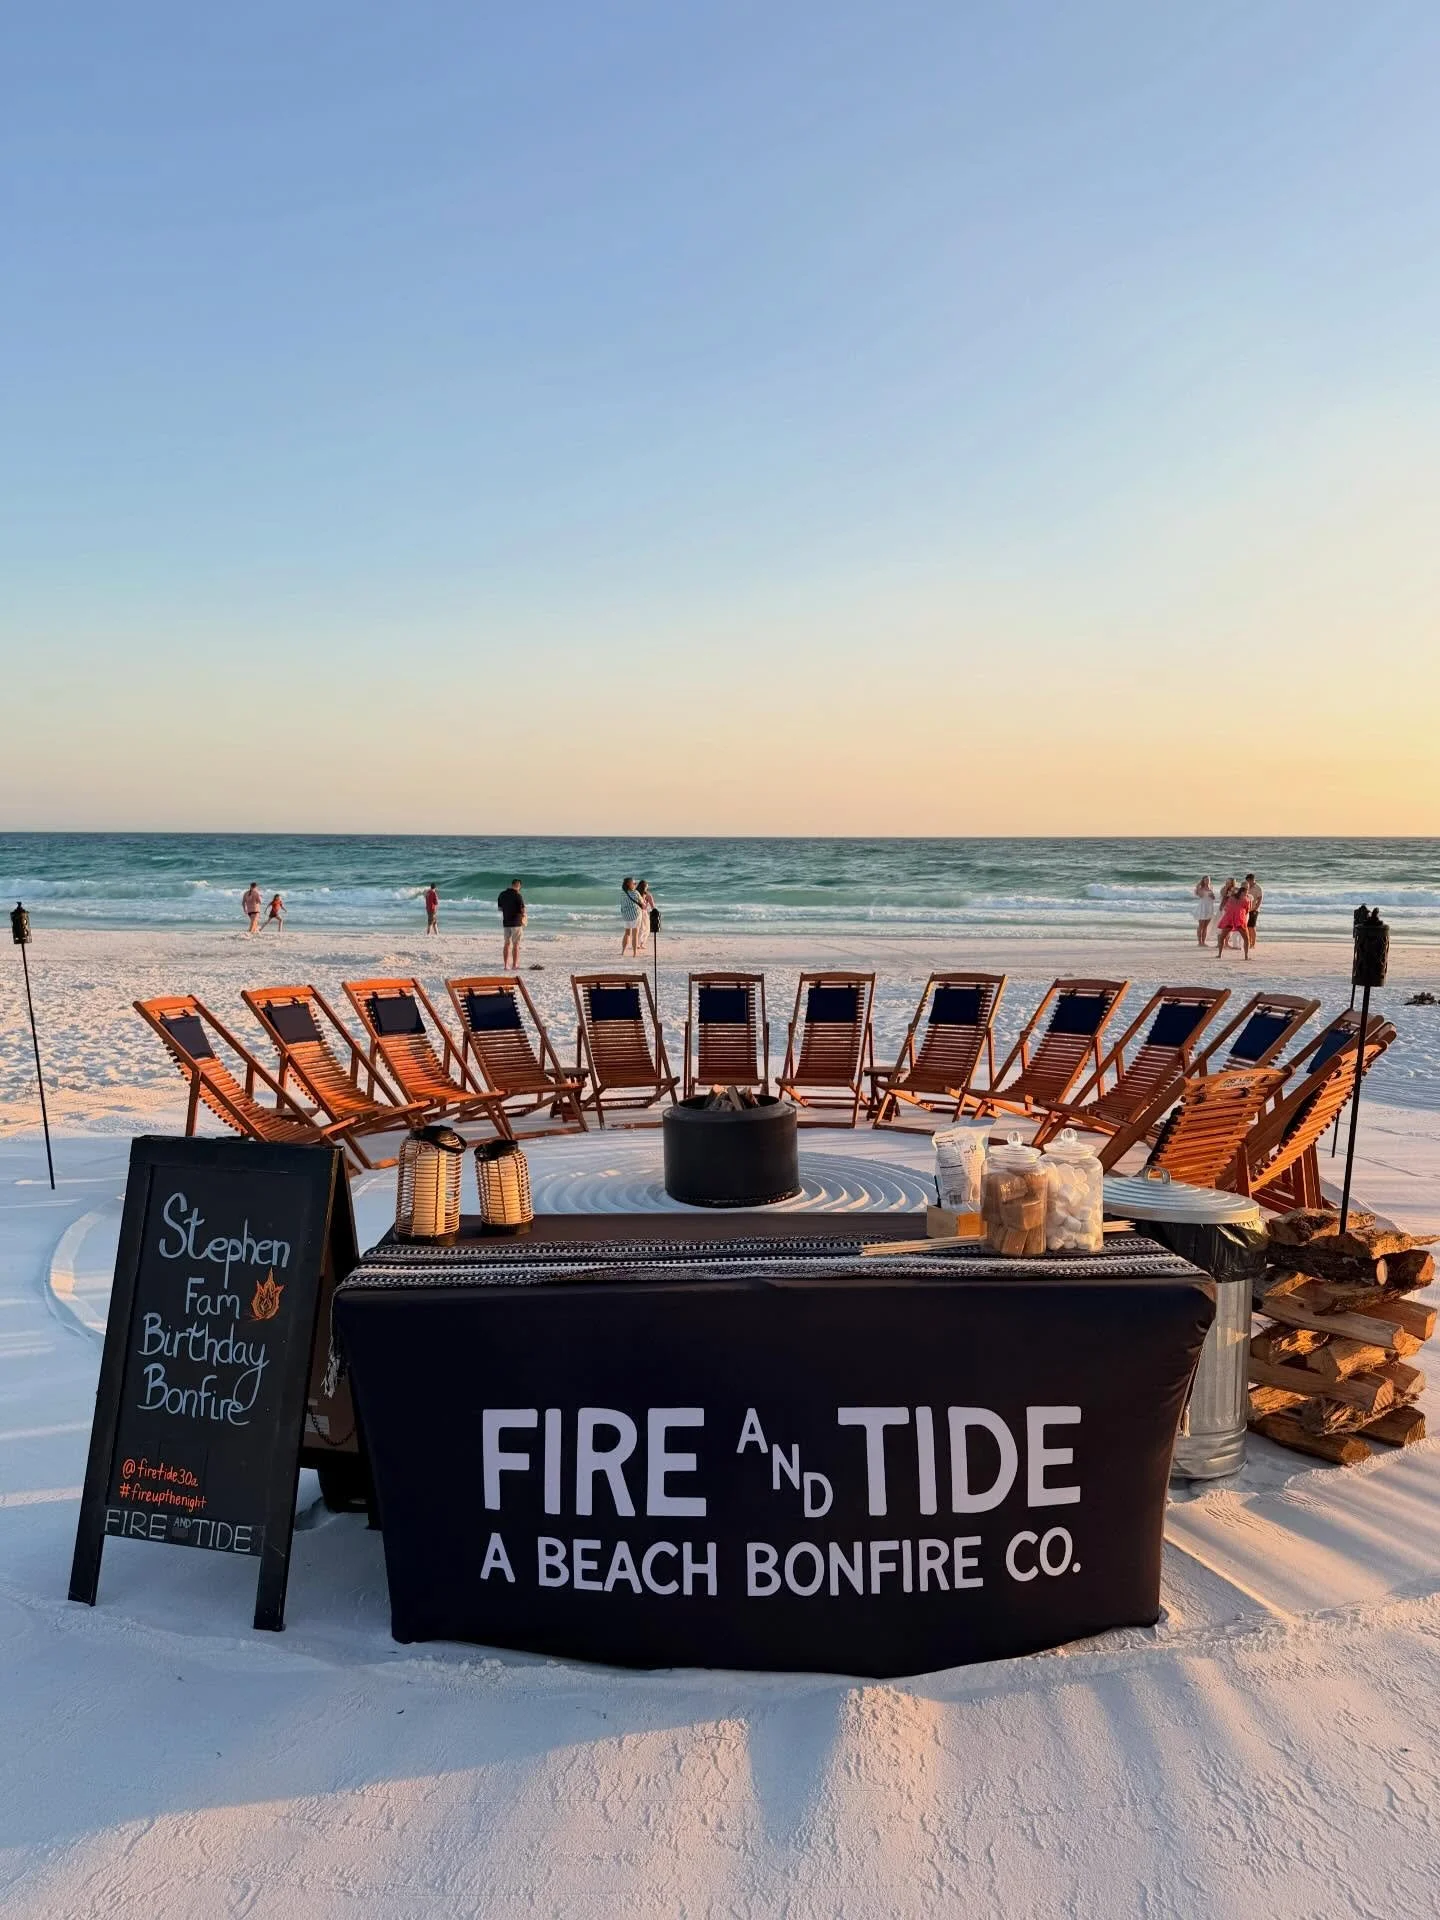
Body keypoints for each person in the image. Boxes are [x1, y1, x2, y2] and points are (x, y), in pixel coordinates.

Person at [1216, 881, 1251, 959]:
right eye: (1245, 892)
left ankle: (1220, 954)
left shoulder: (1233, 898)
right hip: (1236, 920)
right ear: (1243, 893)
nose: (1246, 894)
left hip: (1233, 919)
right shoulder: (1245, 899)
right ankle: (1246, 956)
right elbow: (1247, 910)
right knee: (1246, 938)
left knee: (1223, 937)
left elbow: (1227, 908)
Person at [497, 877, 526, 970]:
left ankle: (505, 965)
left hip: (506, 923)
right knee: (516, 945)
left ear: (512, 884)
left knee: (506, 944)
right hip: (516, 923)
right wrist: (524, 917)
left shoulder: (502, 894)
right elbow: (523, 910)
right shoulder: (518, 895)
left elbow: (500, 909)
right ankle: (514, 965)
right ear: (519, 886)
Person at [620, 877, 643, 957]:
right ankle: (634, 953)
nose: (635, 884)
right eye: (634, 883)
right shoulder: (635, 893)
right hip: (635, 915)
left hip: (626, 916)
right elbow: (642, 903)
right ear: (629, 884)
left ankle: (623, 951)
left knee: (627, 933)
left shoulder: (622, 893)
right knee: (635, 934)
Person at [1193, 875, 1216, 948]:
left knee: (1206, 926)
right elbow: (1200, 896)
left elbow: (1213, 898)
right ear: (1203, 880)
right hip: (1203, 907)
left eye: (1209, 879)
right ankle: (1199, 942)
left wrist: (1212, 896)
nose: (1208, 881)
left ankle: (1204, 942)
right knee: (1201, 925)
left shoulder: (1211, 887)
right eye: (1206, 880)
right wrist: (1198, 887)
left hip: (1209, 907)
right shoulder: (1201, 888)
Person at [634, 878, 657, 951]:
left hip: (635, 912)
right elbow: (653, 906)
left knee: (638, 928)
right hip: (643, 913)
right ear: (645, 887)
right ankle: (641, 944)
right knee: (645, 929)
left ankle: (637, 943)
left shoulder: (635, 894)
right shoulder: (648, 895)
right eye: (647, 886)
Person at [1244, 872, 1263, 946]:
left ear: (1253, 880)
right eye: (1247, 881)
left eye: (1249, 881)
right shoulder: (1247, 887)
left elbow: (1260, 899)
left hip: (1254, 910)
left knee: (1252, 926)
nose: (1248, 882)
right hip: (1246, 909)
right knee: (1247, 926)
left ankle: (1253, 943)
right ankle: (1249, 942)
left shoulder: (1258, 888)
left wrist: (1256, 908)